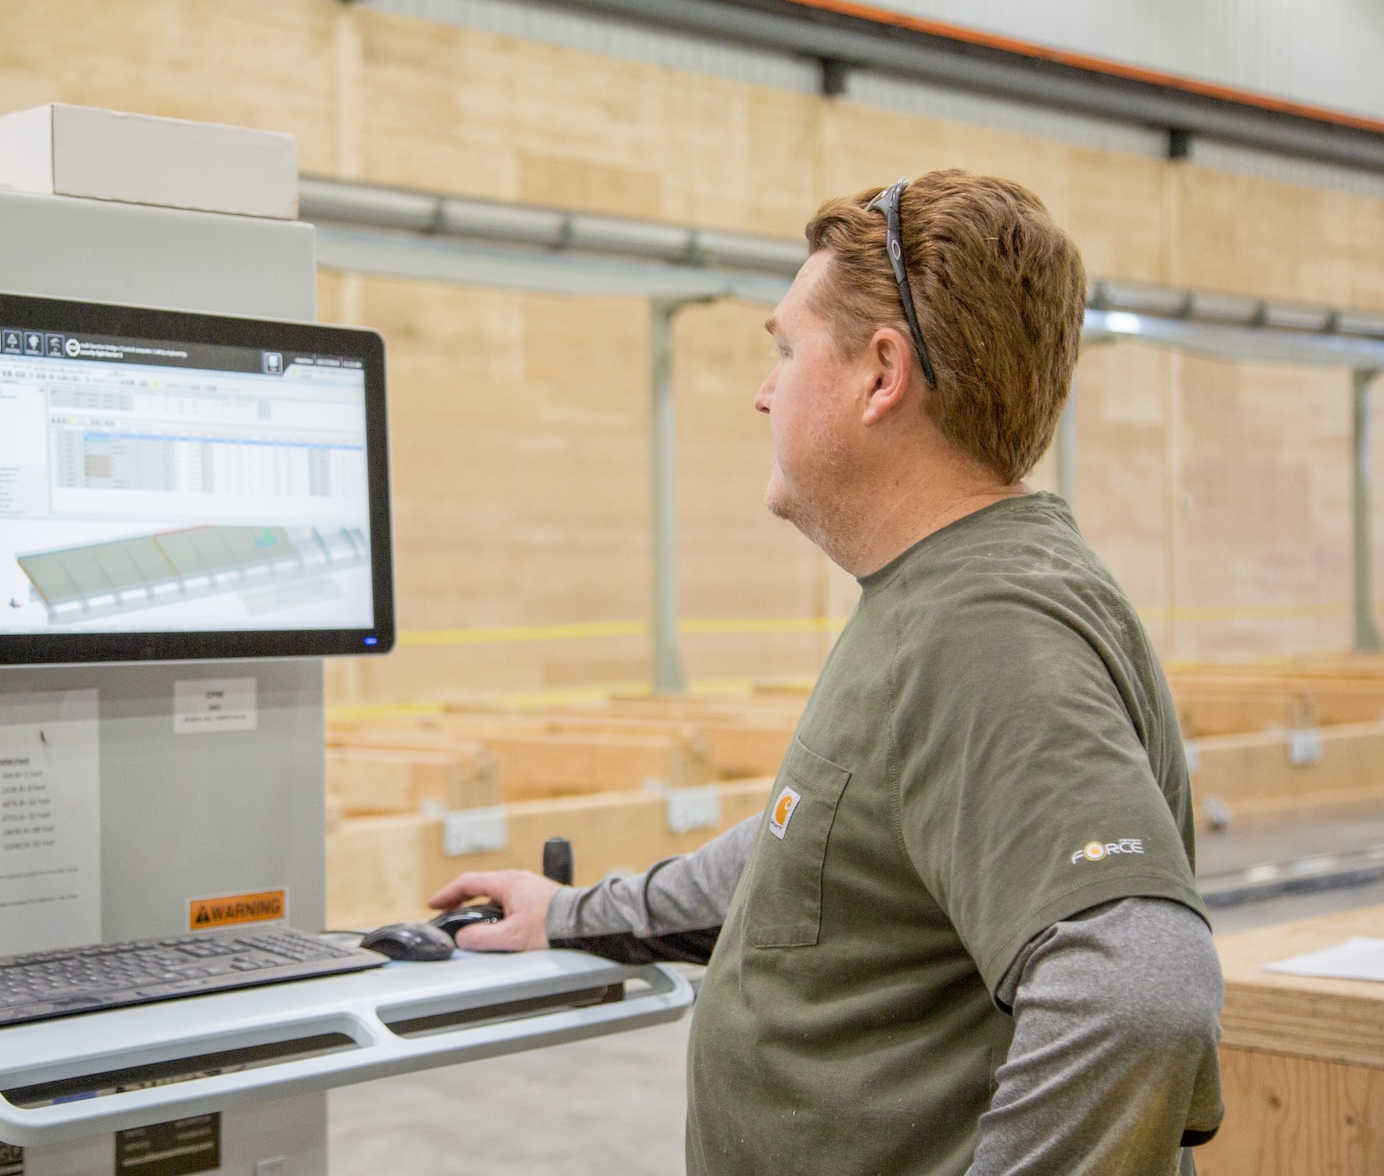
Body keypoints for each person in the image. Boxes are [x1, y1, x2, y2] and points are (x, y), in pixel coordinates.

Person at [429, 170, 1224, 1175]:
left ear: (879, 375)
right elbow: (810, 849)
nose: (763, 390)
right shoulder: (934, 593)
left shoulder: (985, 627)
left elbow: (1138, 993)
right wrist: (576, 915)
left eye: (784, 348)